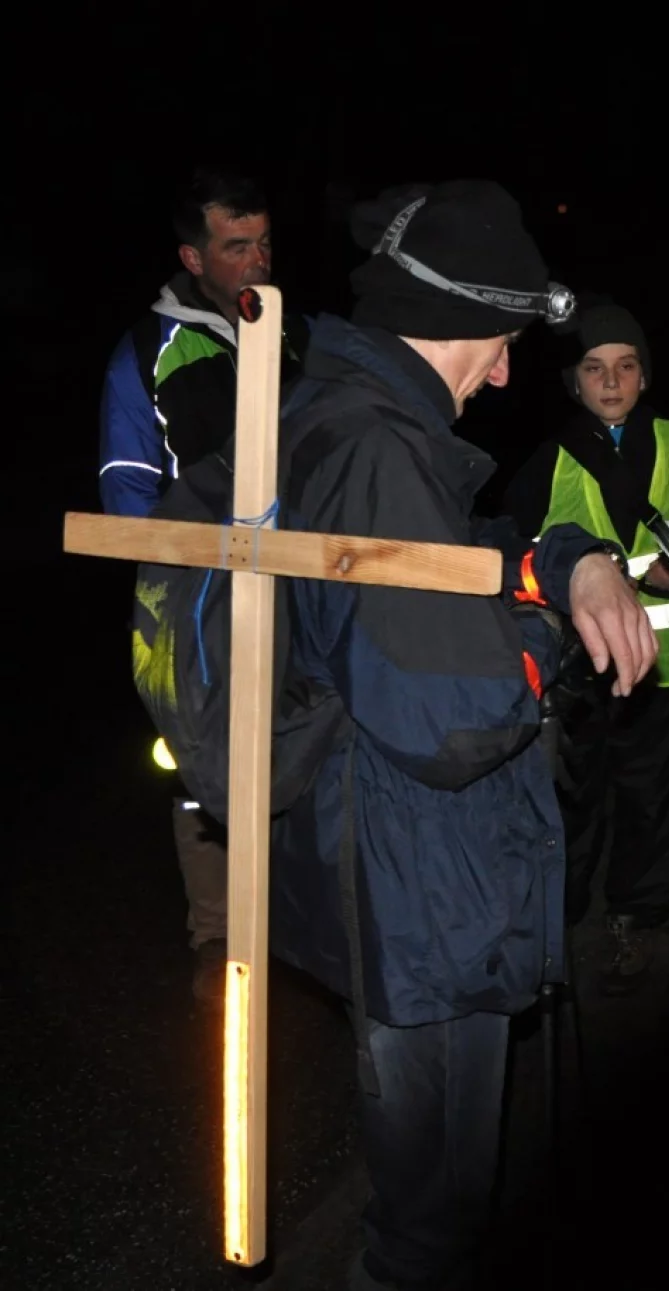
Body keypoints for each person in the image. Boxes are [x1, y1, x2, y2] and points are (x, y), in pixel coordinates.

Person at [263, 180, 658, 1291]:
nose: (502, 372)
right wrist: (554, 627)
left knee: (436, 1205)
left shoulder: (352, 418)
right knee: (430, 1224)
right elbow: (453, 713)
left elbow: (460, 556)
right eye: (497, 344)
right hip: (420, 887)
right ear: (446, 324)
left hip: (405, 871)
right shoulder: (378, 450)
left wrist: (565, 548)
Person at [98, 167, 309, 1004]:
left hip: (305, 593)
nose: (256, 260)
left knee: (308, 750)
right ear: (193, 255)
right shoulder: (146, 352)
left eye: (264, 242)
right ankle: (216, 942)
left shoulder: (303, 333)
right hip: (205, 604)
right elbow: (126, 499)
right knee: (203, 770)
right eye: (236, 246)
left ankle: (304, 926)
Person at [504, 303, 669, 992]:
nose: (611, 381)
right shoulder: (548, 459)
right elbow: (515, 553)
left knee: (650, 796)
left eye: (626, 366)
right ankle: (558, 921)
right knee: (571, 796)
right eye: (594, 368)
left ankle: (635, 916)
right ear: (573, 381)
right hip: (580, 664)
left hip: (666, 663)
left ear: (645, 376)